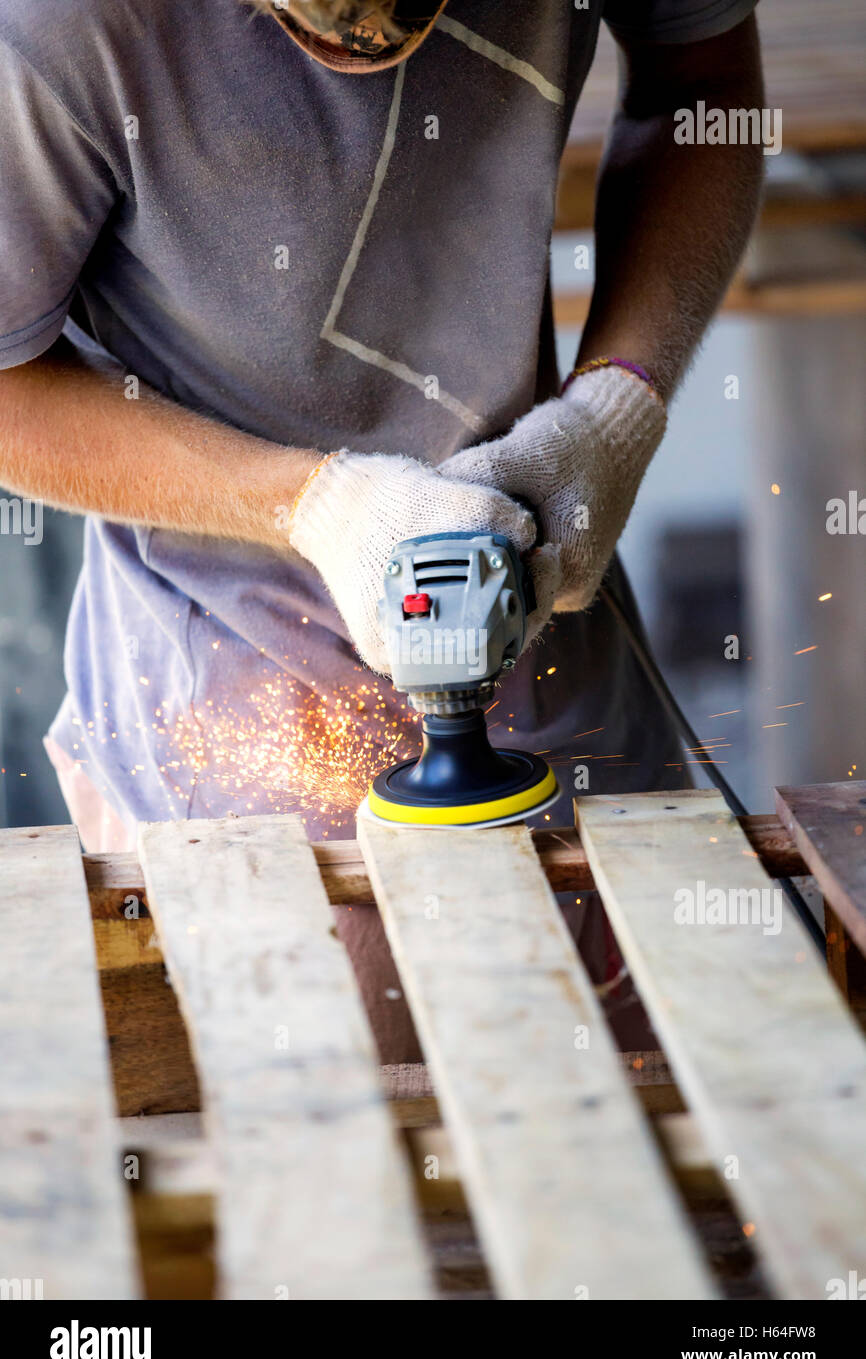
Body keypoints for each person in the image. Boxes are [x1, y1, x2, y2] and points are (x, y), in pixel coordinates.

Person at [0, 0, 764, 1057]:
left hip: (561, 658)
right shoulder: (54, 25)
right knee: (334, 1184)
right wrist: (309, 505)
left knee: (691, 1134)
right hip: (231, 711)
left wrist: (607, 415)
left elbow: (703, 86)